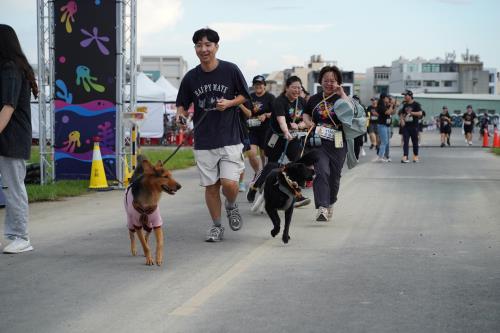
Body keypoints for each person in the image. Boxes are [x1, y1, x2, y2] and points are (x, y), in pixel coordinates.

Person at [175, 28, 250, 242]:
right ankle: (217, 226)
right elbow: (182, 103)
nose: (204, 49)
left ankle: (231, 204)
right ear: (195, 49)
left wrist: (230, 103)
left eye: (208, 45)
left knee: (229, 184)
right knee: (211, 186)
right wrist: (180, 115)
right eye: (199, 45)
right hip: (204, 140)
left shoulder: (230, 70)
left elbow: (245, 95)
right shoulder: (191, 77)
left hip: (229, 137)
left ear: (216, 47)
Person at [0, 24, 38, 253]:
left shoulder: (11, 69)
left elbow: (8, 107)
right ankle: (15, 234)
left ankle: (21, 237)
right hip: (8, 137)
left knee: (13, 187)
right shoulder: (9, 68)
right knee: (11, 187)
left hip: (12, 138)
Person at [302, 65, 349, 221]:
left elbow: (352, 113)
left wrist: (342, 93)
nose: (329, 83)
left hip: (338, 142)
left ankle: (330, 202)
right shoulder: (314, 99)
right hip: (319, 142)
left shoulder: (342, 98)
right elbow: (306, 114)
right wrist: (309, 123)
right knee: (322, 171)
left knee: (334, 176)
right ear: (320, 81)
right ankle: (322, 207)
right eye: (326, 80)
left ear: (338, 82)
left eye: (333, 81)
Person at [238, 75, 274, 192]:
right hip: (252, 130)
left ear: (264, 85)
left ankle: (264, 177)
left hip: (266, 130)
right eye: (256, 84)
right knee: (251, 153)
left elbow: (277, 112)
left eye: (260, 84)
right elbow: (246, 112)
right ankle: (258, 173)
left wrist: (266, 115)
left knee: (264, 155)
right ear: (253, 86)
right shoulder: (249, 97)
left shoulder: (270, 97)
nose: (258, 86)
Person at [398, 90, 423, 163]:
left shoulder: (416, 104)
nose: (404, 97)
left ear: (410, 96)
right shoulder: (405, 105)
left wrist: (411, 113)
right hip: (406, 126)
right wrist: (402, 120)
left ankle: (415, 156)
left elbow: (420, 113)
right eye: (404, 95)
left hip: (414, 126)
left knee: (415, 142)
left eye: (406, 95)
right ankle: (405, 156)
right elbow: (402, 114)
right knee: (405, 141)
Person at [373, 93, 394, 162]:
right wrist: (392, 105)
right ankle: (380, 157)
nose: (389, 99)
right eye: (388, 98)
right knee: (384, 141)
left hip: (387, 125)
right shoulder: (381, 106)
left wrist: (393, 106)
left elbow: (392, 112)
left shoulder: (385, 105)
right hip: (382, 125)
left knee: (387, 142)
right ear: (384, 98)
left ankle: (386, 156)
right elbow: (388, 112)